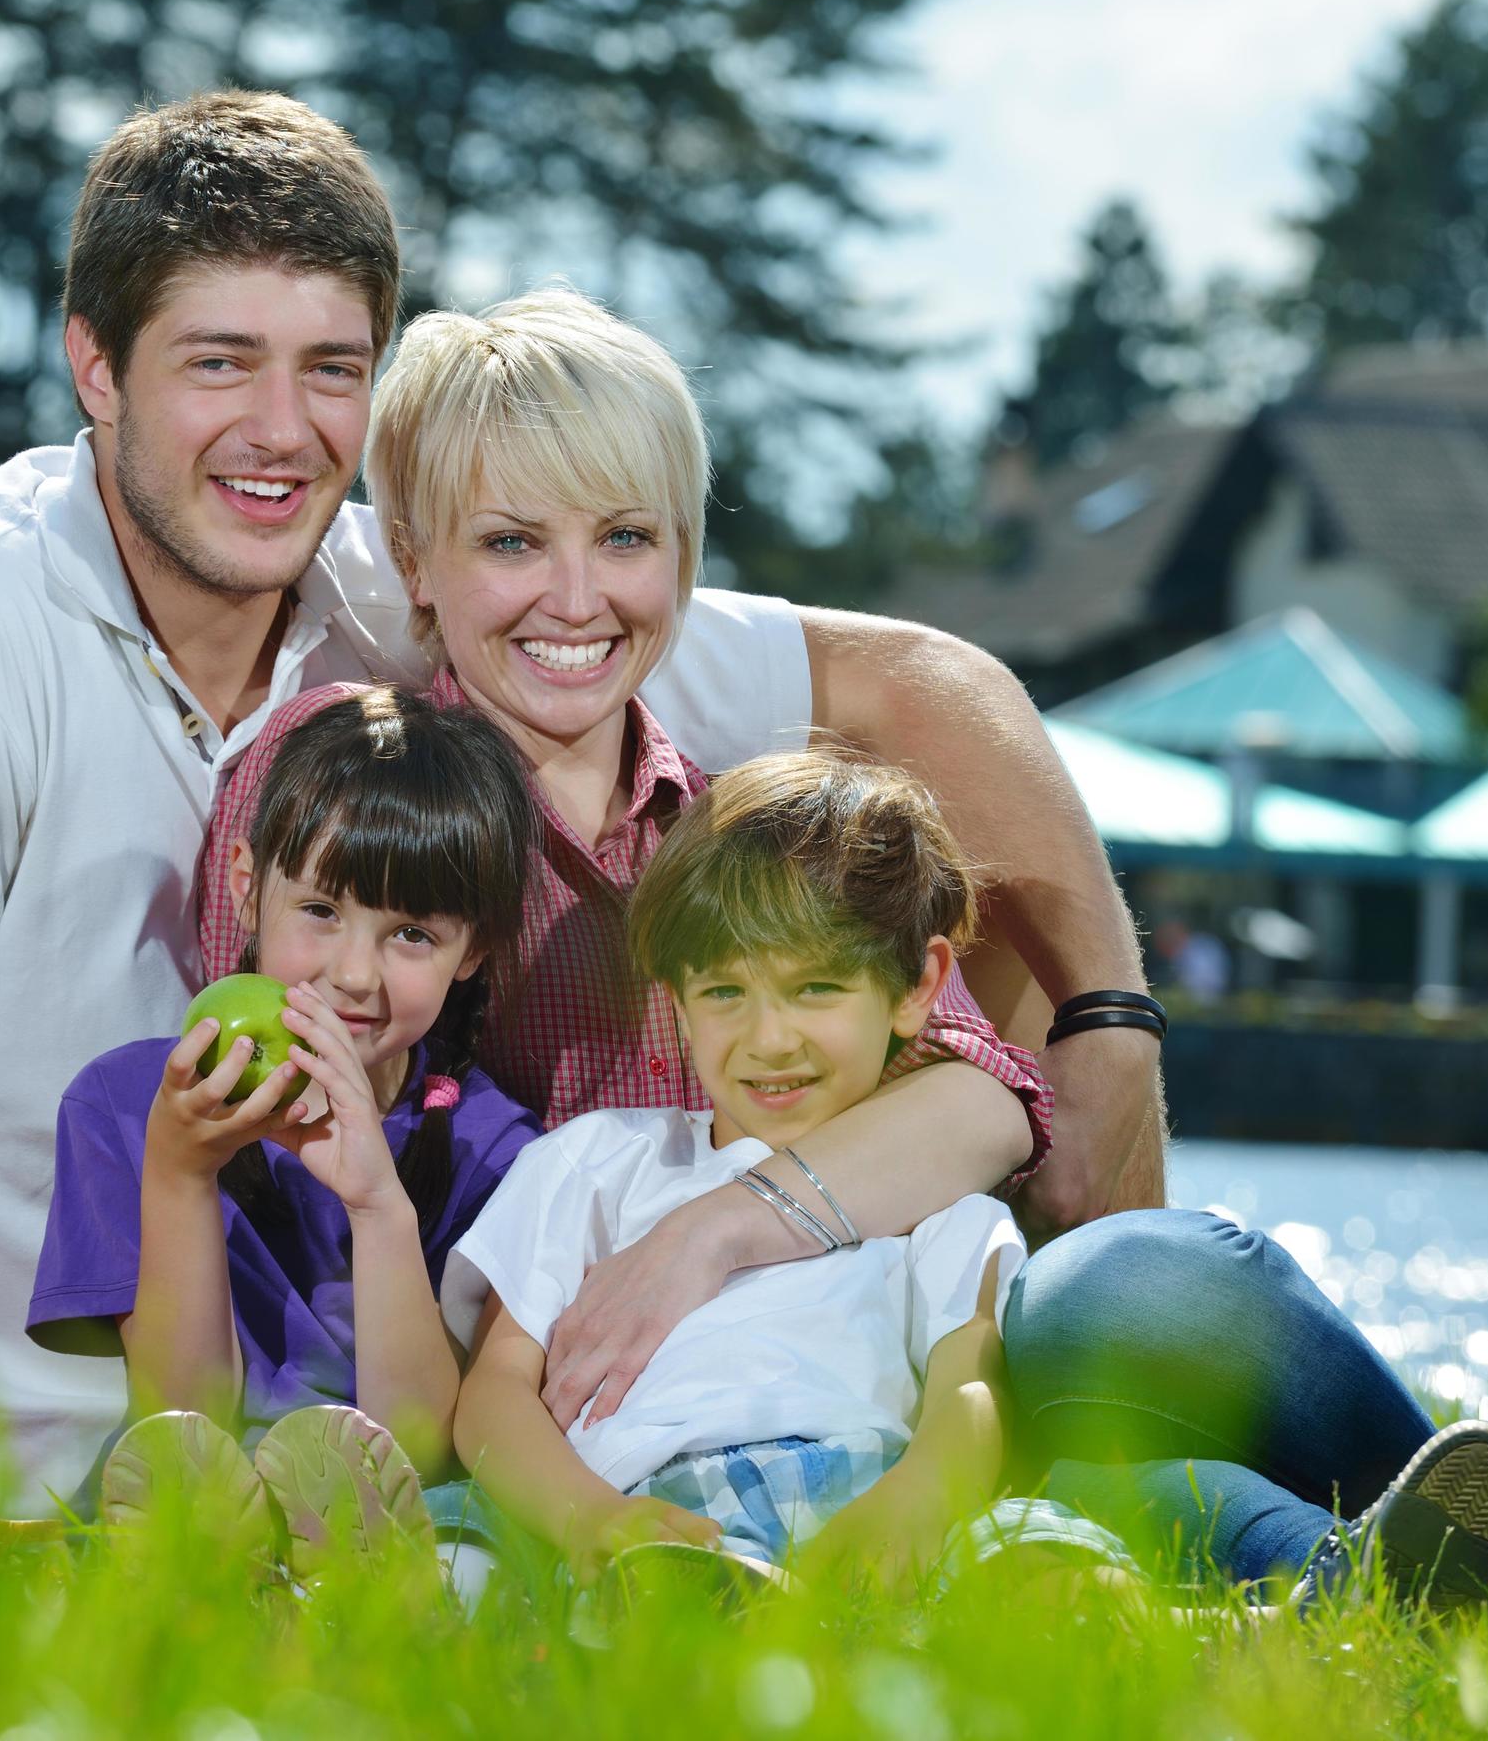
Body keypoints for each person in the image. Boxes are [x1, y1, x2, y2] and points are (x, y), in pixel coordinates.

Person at [0, 90, 1165, 1503]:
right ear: (95, 368)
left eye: (332, 370)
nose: (281, 432)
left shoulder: (429, 590)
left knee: (1166, 1298)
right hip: (131, 1435)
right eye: (220, 363)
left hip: (721, 1386)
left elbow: (916, 683)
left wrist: (1105, 1015)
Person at [197, 289, 1059, 1409]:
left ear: (685, 558)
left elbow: (994, 1097)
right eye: (511, 541)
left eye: (625, 538)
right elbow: (258, 1123)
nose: (575, 598)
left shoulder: (738, 837)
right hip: (481, 1411)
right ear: (413, 560)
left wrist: (711, 1232)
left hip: (816, 1374)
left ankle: (1335, 1538)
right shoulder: (347, 783)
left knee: (1159, 1288)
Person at [446, 749, 1488, 1618]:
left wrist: (912, 1505)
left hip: (863, 1495)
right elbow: (496, 1391)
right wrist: (595, 1522)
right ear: (674, 1001)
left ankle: (1352, 1583)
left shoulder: (926, 1200)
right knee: (455, 1537)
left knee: (1065, 1539)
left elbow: (967, 1387)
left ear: (918, 986)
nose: (768, 1036)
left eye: (816, 987)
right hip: (635, 1506)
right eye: (723, 992)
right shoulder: (594, 1164)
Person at [25, 687, 540, 1565]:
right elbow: (182, 1414)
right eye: (320, 911)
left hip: (396, 1522)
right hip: (186, 1500)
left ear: (474, 954)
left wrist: (379, 1203)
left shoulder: (496, 1149)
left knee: (465, 1551)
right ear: (244, 885)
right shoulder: (124, 1103)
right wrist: (181, 1172)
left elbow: (418, 1449)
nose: (352, 975)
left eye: (412, 934)